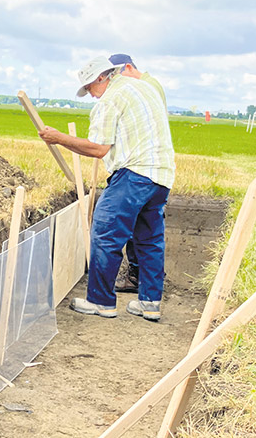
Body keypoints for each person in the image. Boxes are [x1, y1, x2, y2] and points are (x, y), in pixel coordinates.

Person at [38, 54, 175, 321]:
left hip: (134, 174)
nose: (91, 95)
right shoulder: (143, 87)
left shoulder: (111, 99)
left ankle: (101, 301)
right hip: (161, 176)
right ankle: (150, 304)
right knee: (149, 240)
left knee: (104, 231)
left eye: (90, 88)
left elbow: (99, 148)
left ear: (101, 78)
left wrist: (59, 138)